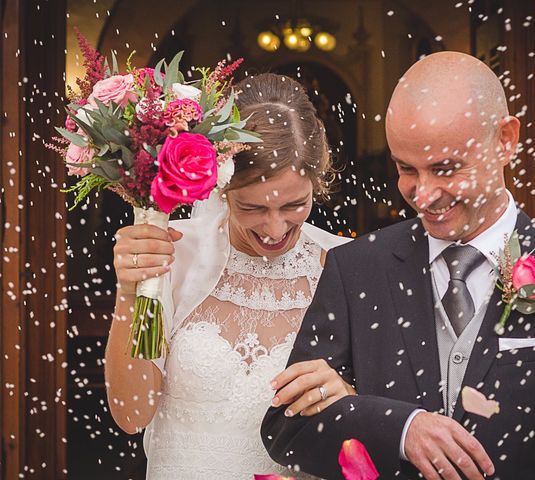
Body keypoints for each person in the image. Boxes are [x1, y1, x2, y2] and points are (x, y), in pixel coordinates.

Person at [262, 51, 535, 479]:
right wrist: (401, 429)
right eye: (406, 169)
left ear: (506, 140)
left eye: (446, 168)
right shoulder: (356, 268)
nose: (424, 195)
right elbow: (287, 430)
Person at [105, 73, 356, 479]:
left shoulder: (346, 265)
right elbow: (132, 415)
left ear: (318, 181)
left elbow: (371, 425)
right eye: (253, 208)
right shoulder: (171, 252)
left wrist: (347, 398)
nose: (274, 229)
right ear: (220, 185)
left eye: (295, 204)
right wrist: (131, 290)